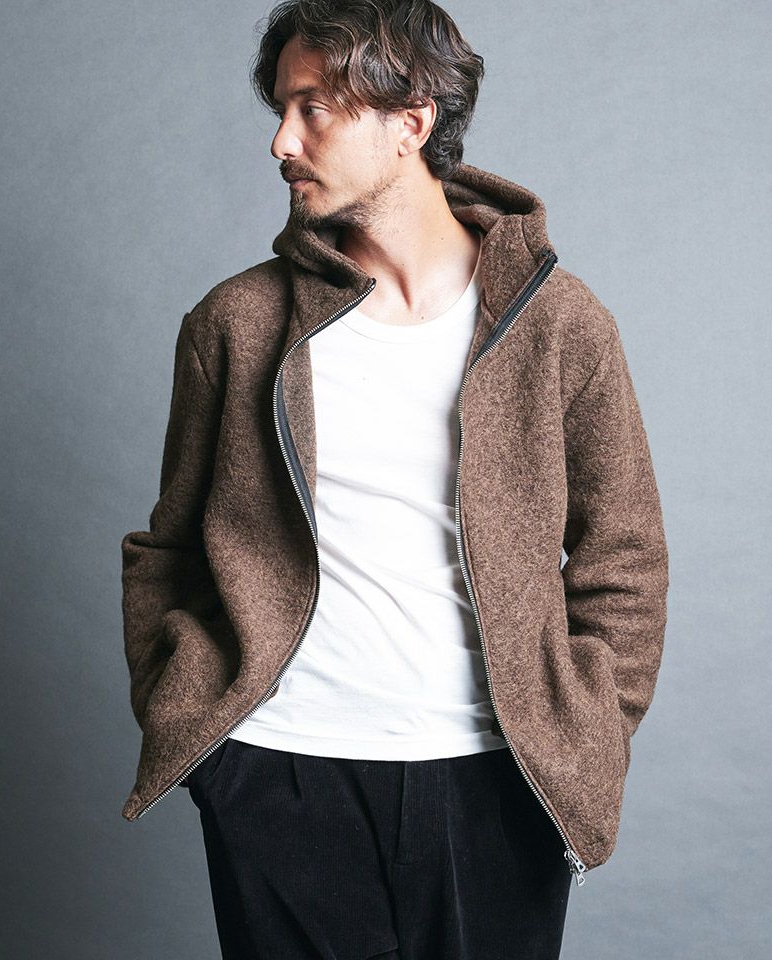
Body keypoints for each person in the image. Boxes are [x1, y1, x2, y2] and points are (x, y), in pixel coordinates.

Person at [119, 2, 669, 957]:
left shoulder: (559, 325)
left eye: (313, 108)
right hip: (279, 772)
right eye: (280, 110)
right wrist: (198, 723)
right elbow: (169, 547)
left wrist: (583, 733)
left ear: (411, 121)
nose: (282, 143)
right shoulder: (236, 324)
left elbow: (625, 559)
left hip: (499, 779)